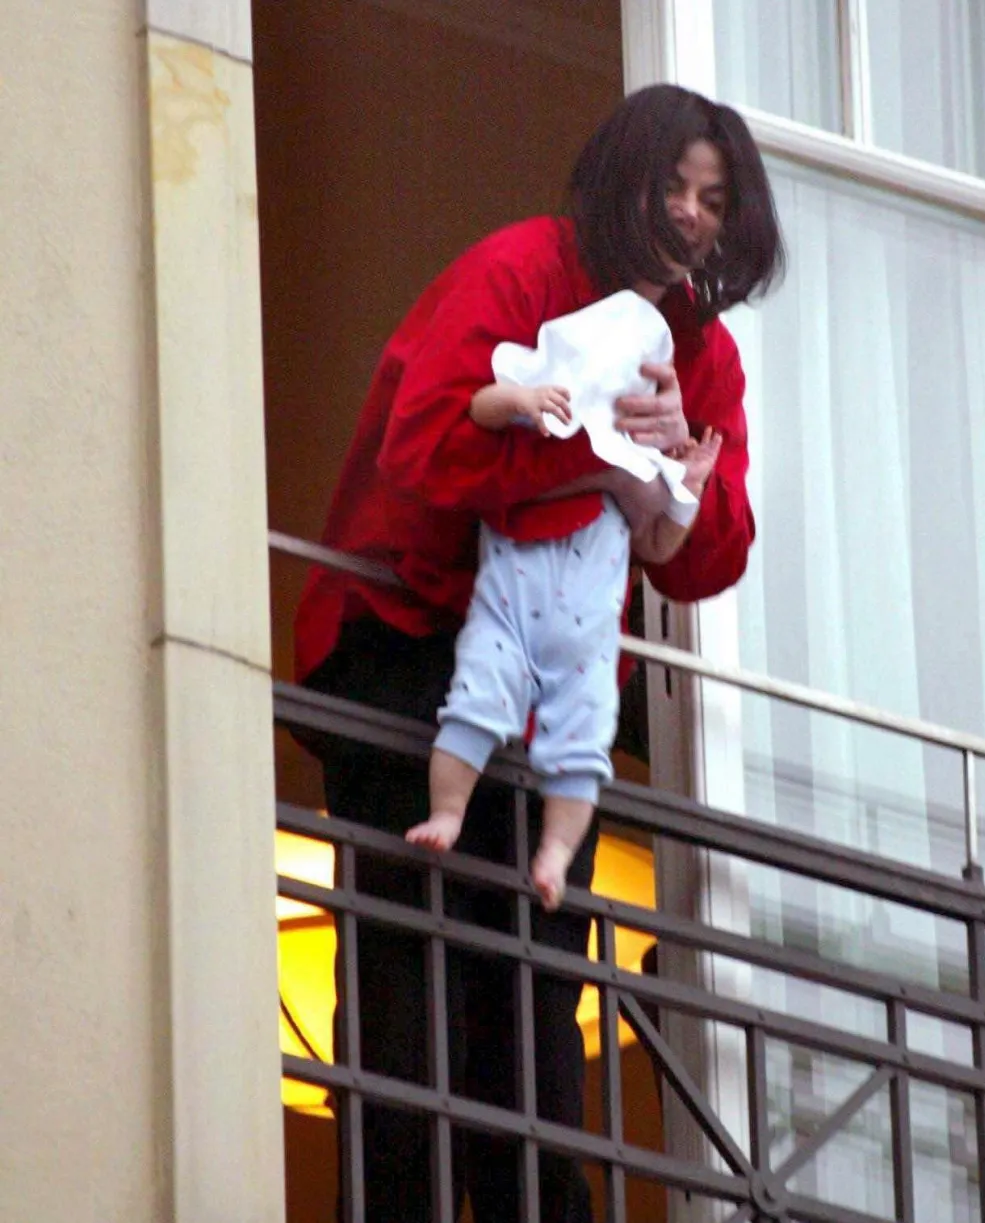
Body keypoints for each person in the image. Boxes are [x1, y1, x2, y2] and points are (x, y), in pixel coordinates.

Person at [293, 82, 784, 1223]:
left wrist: (678, 464)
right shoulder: (519, 269)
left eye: (714, 199)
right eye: (673, 185)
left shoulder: (702, 355)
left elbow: (709, 557)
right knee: (408, 1009)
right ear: (624, 180)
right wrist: (593, 457)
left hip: (554, 694)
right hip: (413, 650)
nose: (691, 214)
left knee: (532, 1024)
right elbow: (424, 445)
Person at [406, 289, 725, 912]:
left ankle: (555, 851)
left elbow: (658, 545)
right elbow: (480, 407)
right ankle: (448, 811)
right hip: (505, 618)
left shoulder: (636, 468)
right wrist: (521, 399)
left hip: (587, 643)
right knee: (471, 709)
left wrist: (687, 488)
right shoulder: (539, 418)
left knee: (582, 751)